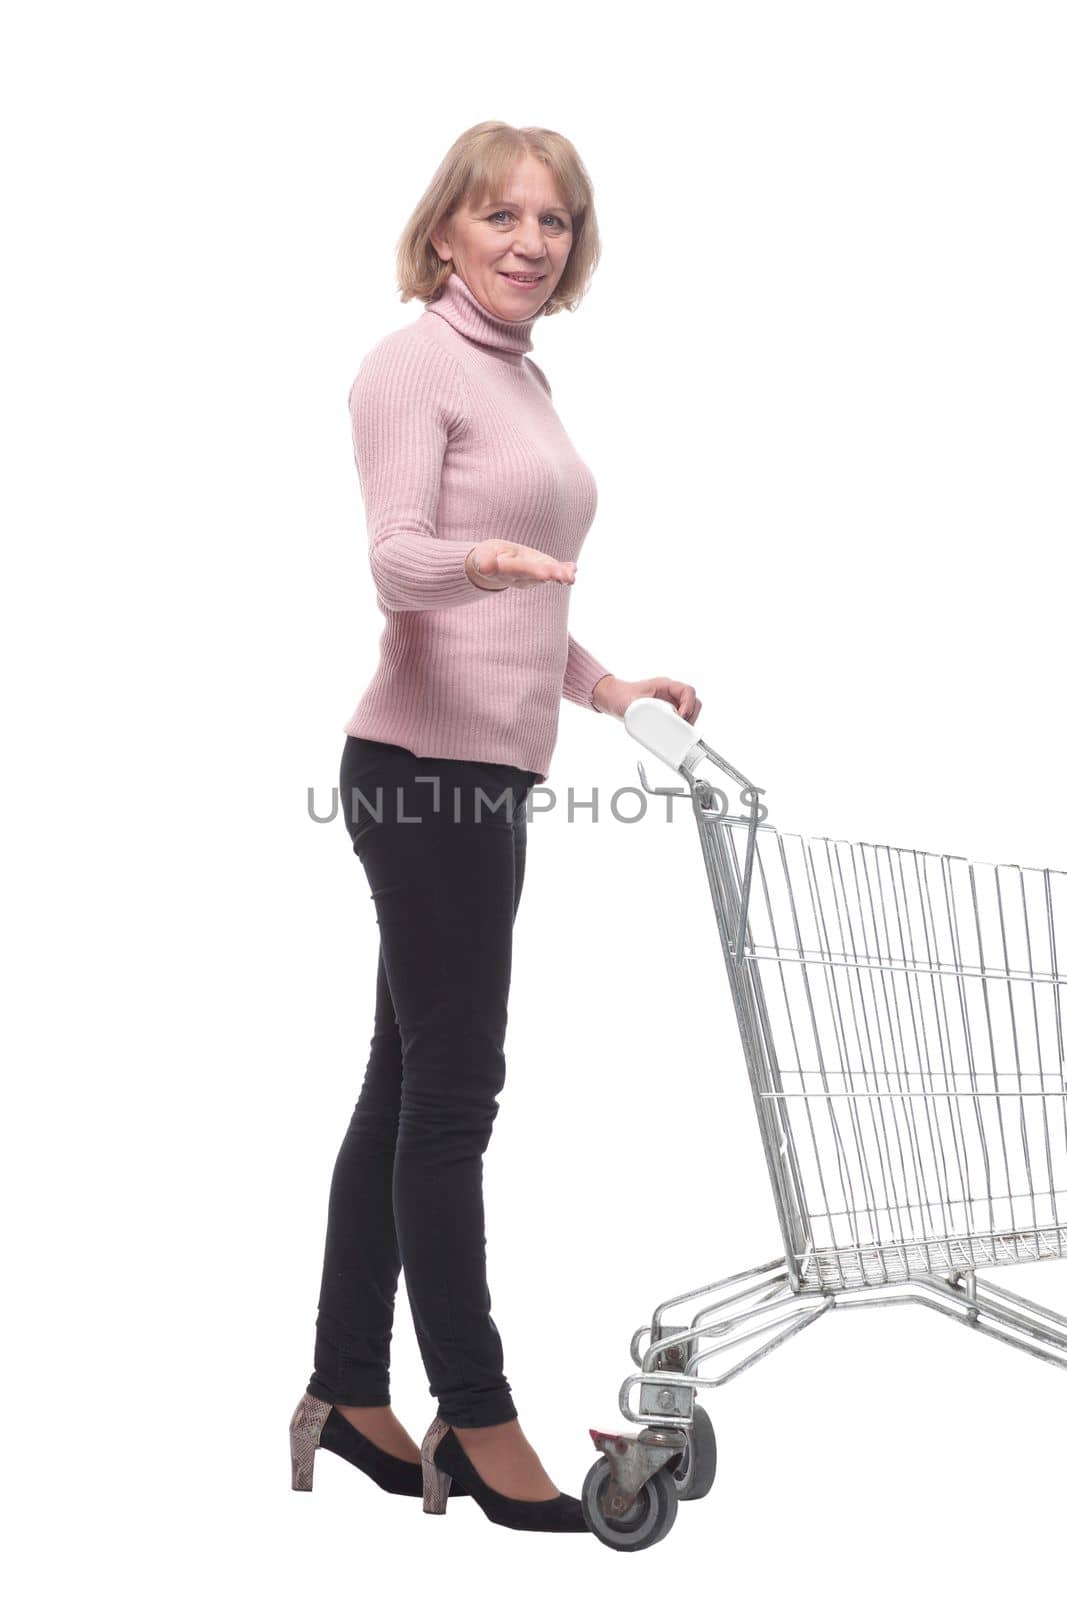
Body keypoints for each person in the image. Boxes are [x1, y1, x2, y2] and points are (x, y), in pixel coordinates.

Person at [289, 120, 701, 1535]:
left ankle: (349, 1392)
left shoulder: (520, 372)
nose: (532, 242)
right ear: (447, 230)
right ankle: (476, 1414)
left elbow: (538, 601)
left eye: (557, 222)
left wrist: (606, 683)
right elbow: (402, 562)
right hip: (420, 772)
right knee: (456, 1097)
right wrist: (481, 561)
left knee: (405, 1089)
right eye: (503, 216)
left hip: (491, 774)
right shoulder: (411, 365)